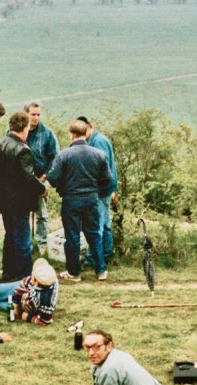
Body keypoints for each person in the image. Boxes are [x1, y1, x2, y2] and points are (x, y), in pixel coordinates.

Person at [46, 119, 112, 282]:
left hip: (71, 200)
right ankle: (101, 270)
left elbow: (52, 177)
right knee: (94, 235)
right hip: (92, 199)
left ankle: (74, 272)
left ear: (71, 135)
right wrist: (97, 191)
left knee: (72, 237)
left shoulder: (64, 155)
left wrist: (62, 186)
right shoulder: (98, 154)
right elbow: (108, 179)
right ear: (86, 133)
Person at [0, 111, 46, 281]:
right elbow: (28, 177)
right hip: (20, 201)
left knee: (9, 236)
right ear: (25, 127)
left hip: (3, 200)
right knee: (23, 240)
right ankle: (25, 277)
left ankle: (8, 272)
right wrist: (42, 188)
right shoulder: (22, 149)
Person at [77, 116, 118, 267]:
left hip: (101, 190)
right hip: (105, 189)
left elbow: (101, 168)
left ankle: (92, 260)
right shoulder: (94, 139)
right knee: (105, 224)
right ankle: (106, 253)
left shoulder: (98, 141)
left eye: (82, 131)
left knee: (96, 225)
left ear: (88, 127)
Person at [24, 101, 59, 256]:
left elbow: (55, 157)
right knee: (22, 213)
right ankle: (25, 243)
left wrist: (45, 177)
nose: (36, 117)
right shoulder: (15, 130)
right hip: (22, 180)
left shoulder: (47, 133)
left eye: (38, 114)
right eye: (33, 114)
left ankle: (43, 245)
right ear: (26, 114)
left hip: (41, 178)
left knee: (42, 214)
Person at [0, 258, 59, 326]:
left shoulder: (46, 300)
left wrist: (26, 316)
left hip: (27, 307)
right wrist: (15, 304)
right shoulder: (45, 279)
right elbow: (24, 284)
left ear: (36, 282)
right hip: (24, 295)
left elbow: (45, 321)